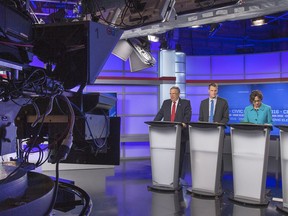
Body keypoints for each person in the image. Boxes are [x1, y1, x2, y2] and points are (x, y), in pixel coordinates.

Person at [154, 86, 192, 180]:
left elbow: (188, 115)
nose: (171, 95)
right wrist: (154, 123)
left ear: (178, 94)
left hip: (180, 135)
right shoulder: (166, 103)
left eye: (174, 93)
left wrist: (184, 123)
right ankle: (168, 175)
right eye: (170, 93)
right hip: (168, 135)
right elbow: (160, 114)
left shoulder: (185, 103)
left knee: (179, 158)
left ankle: (177, 177)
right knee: (168, 156)